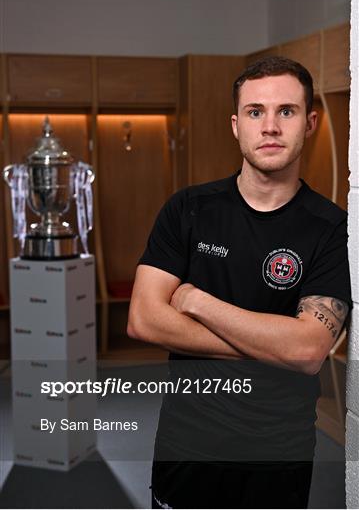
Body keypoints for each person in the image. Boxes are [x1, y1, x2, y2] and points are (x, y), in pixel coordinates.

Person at [127, 57, 352, 509]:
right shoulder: (188, 209)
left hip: (276, 457)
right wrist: (273, 347)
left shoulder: (333, 230)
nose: (270, 126)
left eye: (285, 111)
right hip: (186, 450)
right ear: (236, 125)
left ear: (310, 123)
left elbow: (308, 350)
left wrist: (196, 300)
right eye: (255, 112)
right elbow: (144, 320)